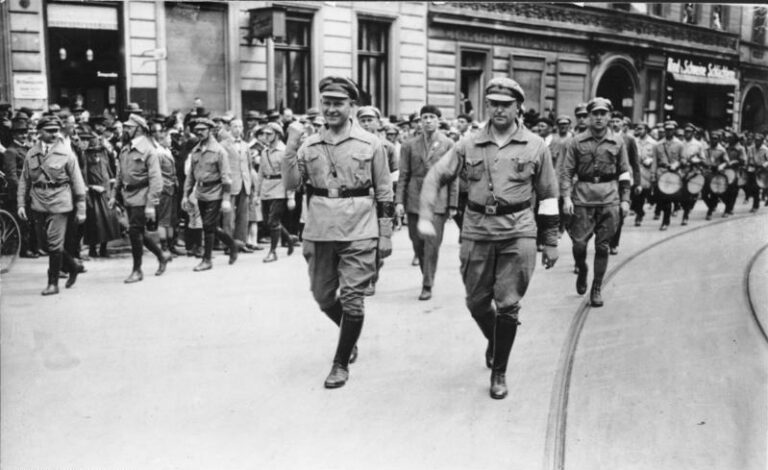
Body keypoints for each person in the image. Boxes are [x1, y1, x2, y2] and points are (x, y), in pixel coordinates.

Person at [418, 77, 559, 399]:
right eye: (493, 103)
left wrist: (550, 239)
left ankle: (499, 371)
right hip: (477, 229)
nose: (498, 109)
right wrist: (426, 215)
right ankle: (495, 341)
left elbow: (549, 194)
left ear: (518, 107)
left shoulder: (536, 145)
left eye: (505, 104)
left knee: (508, 305)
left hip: (518, 229)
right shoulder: (468, 144)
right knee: (476, 301)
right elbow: (437, 175)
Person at [282, 76, 394, 389]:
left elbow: (384, 191)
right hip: (319, 228)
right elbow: (291, 184)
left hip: (359, 227)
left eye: (338, 103)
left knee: (353, 298)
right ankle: (350, 336)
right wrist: (291, 146)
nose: (331, 109)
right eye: (326, 102)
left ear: (352, 106)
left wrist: (385, 235)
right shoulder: (309, 144)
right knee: (321, 296)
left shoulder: (371, 144)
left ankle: (340, 362)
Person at [561, 97, 631, 307]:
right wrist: (566, 198)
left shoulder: (618, 142)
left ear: (609, 116)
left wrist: (625, 199)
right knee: (579, 245)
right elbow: (566, 172)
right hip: (583, 197)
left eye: (603, 114)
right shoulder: (576, 142)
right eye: (595, 114)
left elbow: (624, 173)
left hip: (610, 198)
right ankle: (582, 268)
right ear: (589, 117)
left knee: (603, 247)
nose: (599, 118)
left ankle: (597, 287)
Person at [17, 116, 87, 295]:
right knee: (45, 245)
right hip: (38, 203)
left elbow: (78, 182)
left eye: (56, 130)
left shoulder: (67, 154)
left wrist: (81, 209)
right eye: (49, 131)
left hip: (59, 202)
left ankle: (53, 283)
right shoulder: (31, 153)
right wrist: (21, 204)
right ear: (39, 132)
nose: (54, 134)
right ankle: (73, 266)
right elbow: (24, 181)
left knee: (54, 244)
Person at [396, 105, 457, 301]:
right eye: (424, 117)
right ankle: (426, 273)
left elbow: (453, 176)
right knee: (417, 242)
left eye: (432, 117)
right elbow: (403, 175)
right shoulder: (408, 144)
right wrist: (399, 201)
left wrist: (453, 204)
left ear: (439, 120)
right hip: (414, 198)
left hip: (438, 199)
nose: (428, 121)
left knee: (432, 244)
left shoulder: (448, 144)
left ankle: (427, 284)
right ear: (420, 121)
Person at [109, 114, 171, 282]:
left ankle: (137, 270)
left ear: (139, 130)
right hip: (128, 195)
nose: (125, 130)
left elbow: (156, 180)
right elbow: (120, 174)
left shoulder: (149, 150)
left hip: (142, 196)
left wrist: (151, 204)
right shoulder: (125, 148)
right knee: (138, 231)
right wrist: (114, 195)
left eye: (129, 127)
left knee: (135, 231)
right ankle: (161, 255)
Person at [182, 117, 238, 271]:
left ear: (210, 131)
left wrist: (226, 199)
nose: (199, 132)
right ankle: (232, 245)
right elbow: (191, 176)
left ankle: (207, 260)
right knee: (210, 225)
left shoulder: (219, 151)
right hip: (201, 192)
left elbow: (226, 176)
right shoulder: (196, 150)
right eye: (197, 130)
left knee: (207, 225)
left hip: (216, 192)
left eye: (203, 130)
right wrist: (185, 195)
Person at [257, 122, 296, 263]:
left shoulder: (285, 152)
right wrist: (257, 193)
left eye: (269, 134)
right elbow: (261, 172)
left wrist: (291, 196)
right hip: (266, 188)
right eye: (264, 134)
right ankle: (289, 238)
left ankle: (273, 252)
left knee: (273, 221)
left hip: (280, 188)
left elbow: (290, 175)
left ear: (277, 135)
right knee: (269, 221)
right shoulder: (264, 151)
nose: (265, 137)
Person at [80, 127, 121, 258]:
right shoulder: (85, 156)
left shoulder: (104, 155)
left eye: (98, 148)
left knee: (108, 221)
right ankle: (93, 248)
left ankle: (103, 248)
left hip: (106, 192)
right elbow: (84, 176)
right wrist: (90, 188)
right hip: (94, 194)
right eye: (94, 150)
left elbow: (109, 172)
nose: (96, 152)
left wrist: (112, 190)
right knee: (94, 222)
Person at [608, 111, 640, 253]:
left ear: (623, 123)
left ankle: (614, 243)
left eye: (618, 121)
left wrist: (638, 182)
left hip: (623, 179)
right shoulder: (605, 137)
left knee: (620, 211)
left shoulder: (629, 139)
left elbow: (635, 162)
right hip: (607, 179)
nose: (615, 124)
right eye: (613, 121)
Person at [221, 118, 254, 252]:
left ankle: (241, 243)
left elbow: (249, 166)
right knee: (229, 216)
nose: (238, 130)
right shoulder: (223, 145)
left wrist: (251, 184)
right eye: (235, 127)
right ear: (230, 128)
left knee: (243, 215)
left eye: (240, 127)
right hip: (231, 183)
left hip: (244, 183)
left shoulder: (246, 145)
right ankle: (228, 244)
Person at [151, 121, 181, 256]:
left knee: (171, 220)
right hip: (164, 189)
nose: (171, 140)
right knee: (164, 220)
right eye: (168, 138)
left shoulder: (166, 151)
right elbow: (156, 174)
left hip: (172, 188)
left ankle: (171, 245)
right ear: (161, 139)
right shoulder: (158, 153)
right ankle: (164, 248)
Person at [652, 120, 684, 229]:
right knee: (663, 198)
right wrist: (653, 175)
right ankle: (665, 219)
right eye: (667, 129)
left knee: (669, 198)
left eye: (671, 129)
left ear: (674, 130)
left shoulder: (679, 144)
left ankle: (666, 221)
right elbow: (655, 161)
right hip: (662, 173)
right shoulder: (658, 145)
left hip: (674, 174)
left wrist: (676, 164)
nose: (669, 131)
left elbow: (683, 159)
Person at [632, 122, 657, 226]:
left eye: (641, 129)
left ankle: (640, 213)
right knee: (636, 194)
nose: (638, 131)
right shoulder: (634, 141)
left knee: (644, 194)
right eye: (637, 129)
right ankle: (639, 213)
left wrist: (650, 160)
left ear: (646, 130)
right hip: (636, 170)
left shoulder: (653, 143)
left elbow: (656, 158)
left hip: (647, 171)